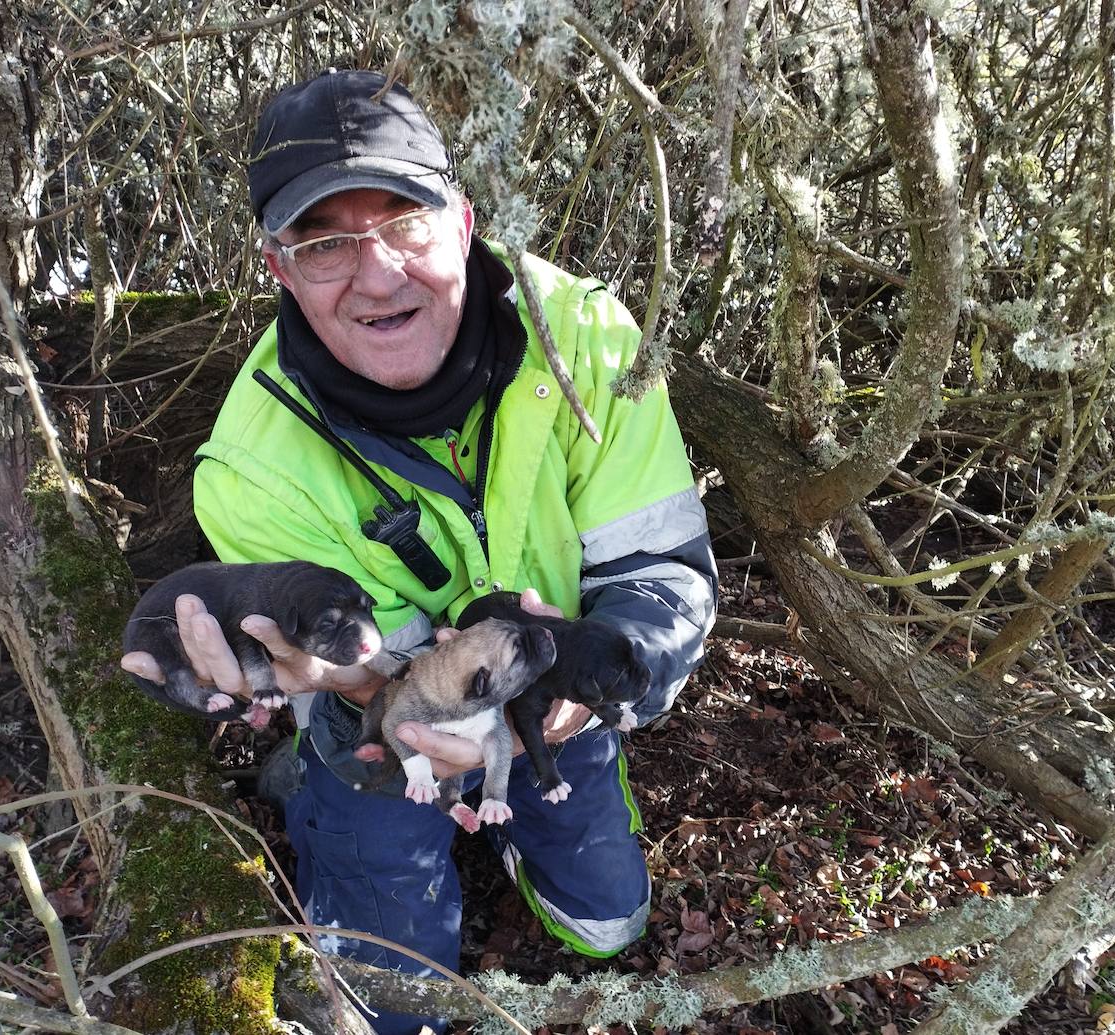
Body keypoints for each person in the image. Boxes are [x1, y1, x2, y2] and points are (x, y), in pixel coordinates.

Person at [122, 69, 716, 1034]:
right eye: (324, 244)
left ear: (465, 219)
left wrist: (598, 678)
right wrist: (363, 694)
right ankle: (318, 797)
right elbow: (374, 671)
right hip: (388, 726)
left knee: (609, 924)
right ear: (279, 266)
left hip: (557, 684)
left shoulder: (590, 340)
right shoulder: (248, 468)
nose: (378, 272)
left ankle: (526, 808)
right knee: (396, 1007)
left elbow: (667, 575)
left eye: (404, 218)